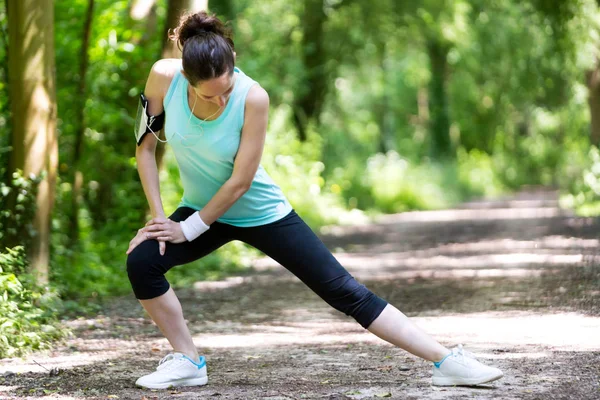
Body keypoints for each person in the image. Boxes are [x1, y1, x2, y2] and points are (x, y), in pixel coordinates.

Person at [125, 11, 503, 390]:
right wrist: (160, 222)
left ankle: (446, 361)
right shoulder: (163, 77)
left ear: (233, 62)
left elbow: (240, 181)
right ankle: (189, 360)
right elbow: (144, 151)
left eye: (226, 88)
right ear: (187, 79)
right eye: (210, 94)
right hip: (202, 209)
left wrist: (187, 228)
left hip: (259, 211)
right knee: (142, 261)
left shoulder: (253, 97)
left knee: (344, 291)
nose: (222, 99)